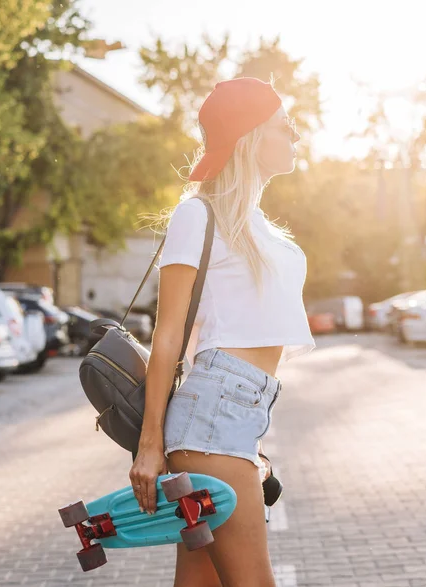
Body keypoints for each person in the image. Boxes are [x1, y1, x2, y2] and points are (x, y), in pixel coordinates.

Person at [130, 77, 315, 587]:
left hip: (241, 415)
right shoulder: (197, 215)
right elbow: (167, 336)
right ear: (252, 135)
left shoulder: (259, 227)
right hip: (213, 416)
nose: (296, 137)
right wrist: (150, 446)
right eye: (286, 126)